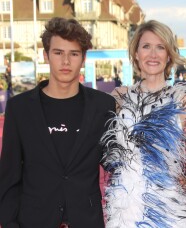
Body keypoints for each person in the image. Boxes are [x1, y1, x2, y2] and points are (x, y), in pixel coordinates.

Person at [0, 17, 116, 228]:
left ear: (83, 58)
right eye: (58, 53)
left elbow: (117, 164)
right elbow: (9, 177)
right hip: (33, 221)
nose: (65, 62)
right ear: (46, 56)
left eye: (73, 54)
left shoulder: (103, 105)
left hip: (86, 221)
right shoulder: (20, 108)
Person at [100, 20, 186, 227]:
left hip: (171, 207)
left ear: (169, 55)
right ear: (136, 54)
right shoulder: (118, 98)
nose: (153, 54)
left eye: (160, 47)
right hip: (125, 208)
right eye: (146, 46)